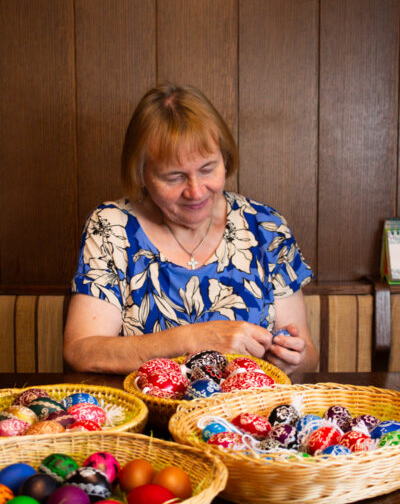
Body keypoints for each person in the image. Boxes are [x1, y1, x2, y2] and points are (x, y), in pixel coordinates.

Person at [63, 83, 319, 376]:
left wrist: (290, 360)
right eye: (174, 177)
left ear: (225, 159)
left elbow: (308, 354)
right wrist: (194, 339)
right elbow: (81, 350)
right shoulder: (112, 227)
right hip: (147, 415)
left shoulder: (265, 227)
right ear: (141, 173)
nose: (196, 192)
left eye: (208, 169)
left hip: (246, 417)